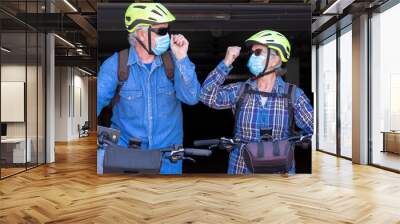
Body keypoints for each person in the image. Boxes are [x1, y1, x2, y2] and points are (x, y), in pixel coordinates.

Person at [97, 3, 201, 174]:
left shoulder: (174, 63)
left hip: (168, 159)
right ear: (140, 34)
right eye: (161, 31)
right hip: (128, 157)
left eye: (167, 30)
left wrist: (182, 58)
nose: (167, 36)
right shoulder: (115, 65)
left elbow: (192, 97)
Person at [200, 30, 313, 174]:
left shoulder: (293, 95)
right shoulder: (240, 90)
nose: (253, 57)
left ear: (276, 60)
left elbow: (316, 130)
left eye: (258, 52)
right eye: (252, 53)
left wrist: (301, 139)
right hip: (241, 171)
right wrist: (226, 62)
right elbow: (206, 95)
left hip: (280, 175)